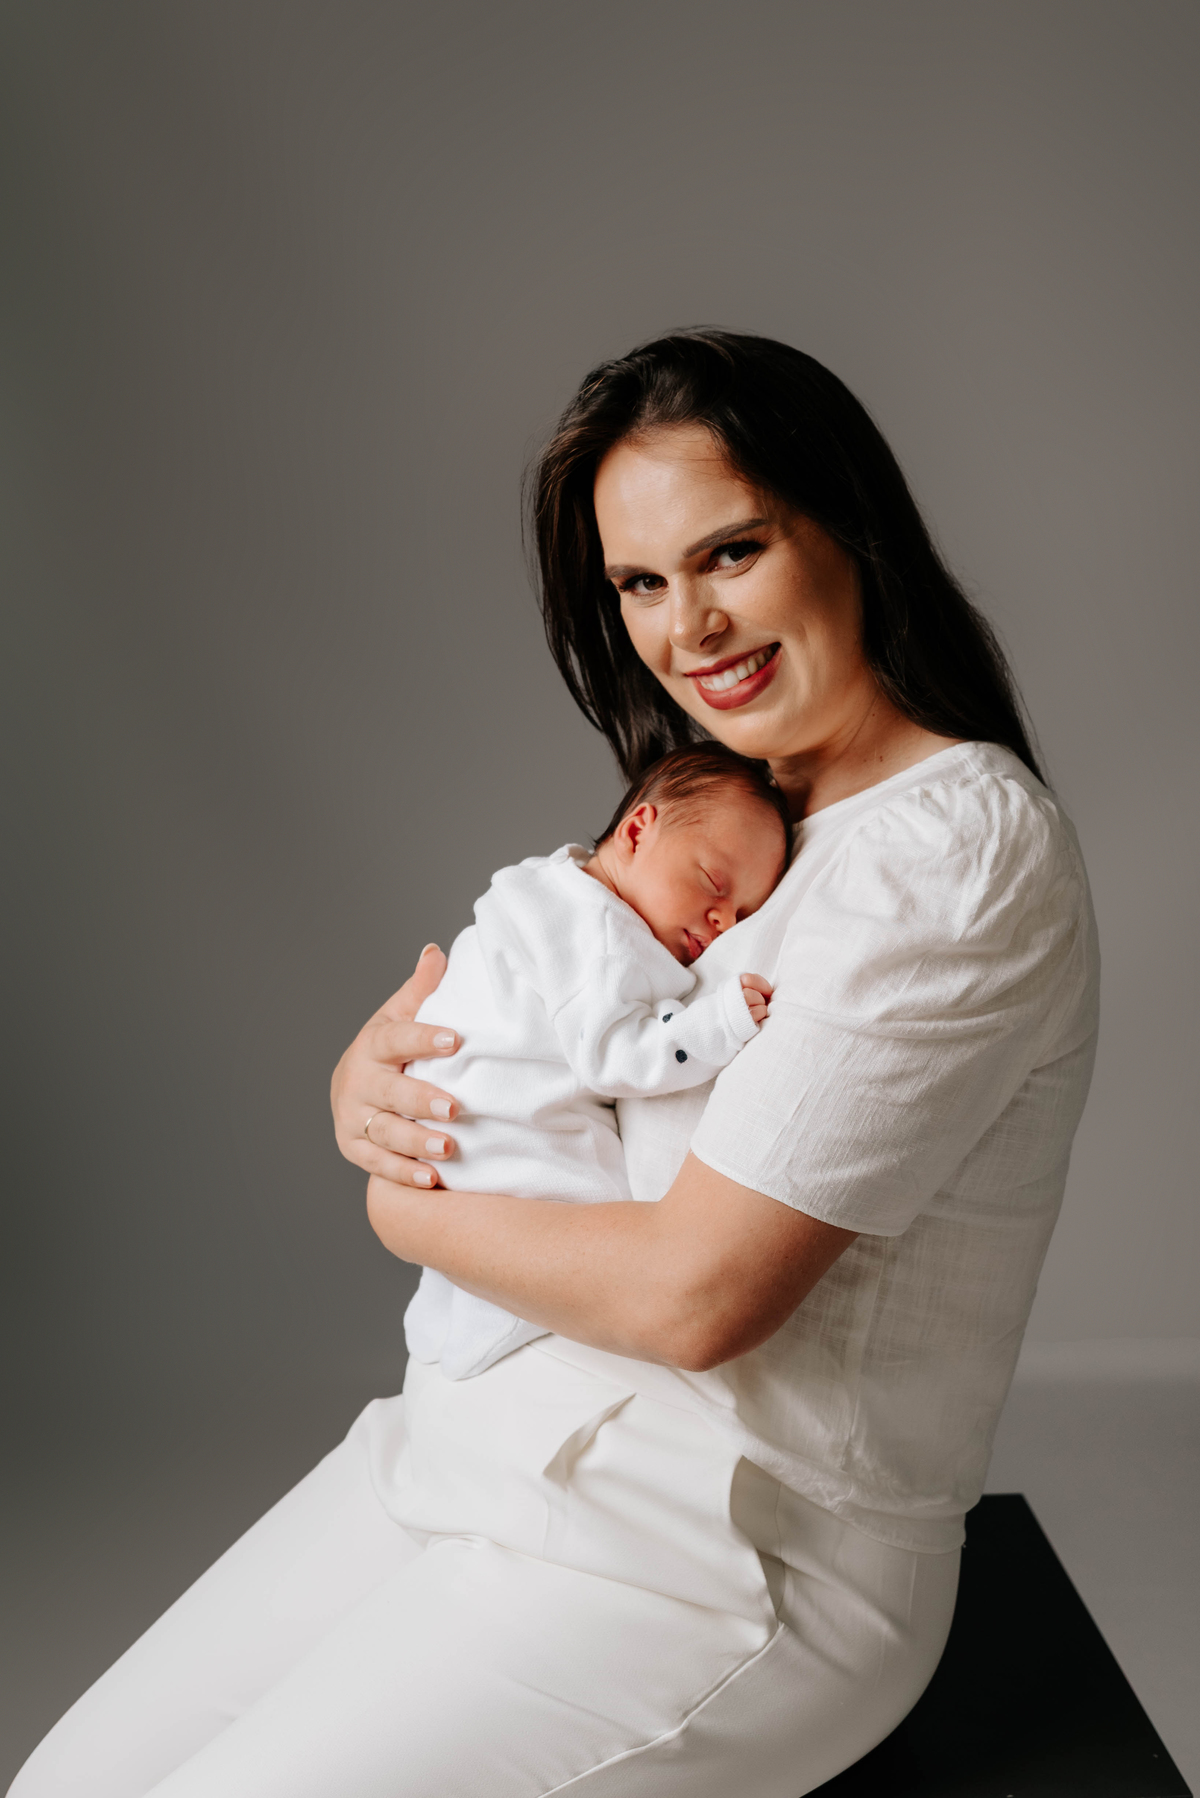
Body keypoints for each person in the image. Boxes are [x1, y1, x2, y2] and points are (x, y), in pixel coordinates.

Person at [10, 331, 1098, 1798]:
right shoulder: (746, 813)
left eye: (731, 551)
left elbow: (696, 1294)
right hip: (474, 1444)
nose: (687, 626)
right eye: (639, 582)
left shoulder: (950, 850)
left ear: (853, 528)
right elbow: (558, 1048)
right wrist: (383, 1088)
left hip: (715, 1556)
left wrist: (403, 1204)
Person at [404, 740, 788, 1382]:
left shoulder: (547, 881)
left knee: (465, 1293)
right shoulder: (607, 938)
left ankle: (455, 1321)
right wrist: (718, 1022)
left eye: (744, 913)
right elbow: (615, 1056)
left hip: (447, 1130)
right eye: (714, 884)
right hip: (505, 1143)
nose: (724, 920)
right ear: (638, 832)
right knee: (616, 1227)